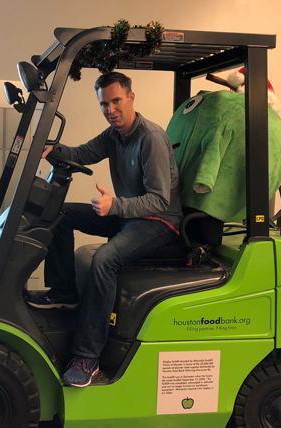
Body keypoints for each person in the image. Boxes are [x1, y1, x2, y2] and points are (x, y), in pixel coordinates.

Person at [27, 72, 183, 387]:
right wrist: (51, 148)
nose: (110, 110)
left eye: (116, 101)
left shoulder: (150, 138)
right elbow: (81, 154)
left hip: (159, 222)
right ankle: (64, 293)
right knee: (59, 212)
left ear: (131, 98)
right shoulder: (113, 135)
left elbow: (158, 200)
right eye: (104, 104)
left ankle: (87, 357)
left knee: (104, 259)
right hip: (127, 214)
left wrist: (115, 207)